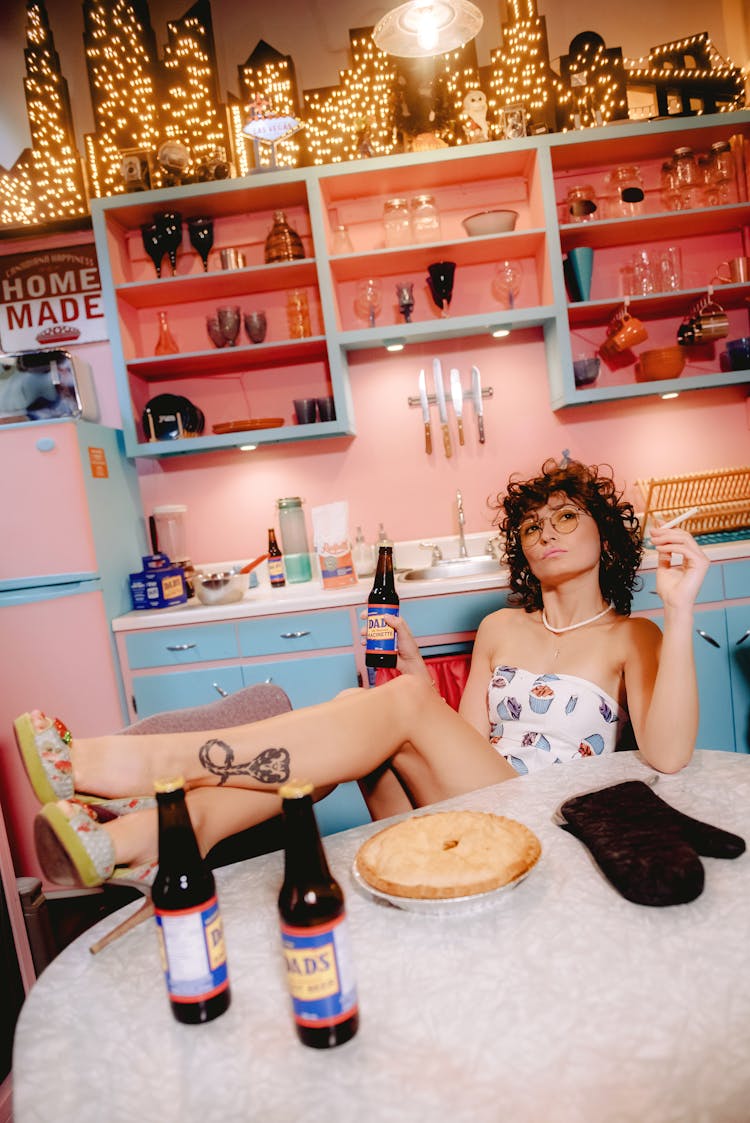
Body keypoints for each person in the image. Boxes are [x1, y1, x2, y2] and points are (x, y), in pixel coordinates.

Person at [14, 457, 708, 893]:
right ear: (520, 550)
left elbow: (670, 754)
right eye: (531, 525)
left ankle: (143, 776)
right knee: (366, 708)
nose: (546, 531)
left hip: (545, 825)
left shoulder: (633, 636)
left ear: (607, 537)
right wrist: (417, 691)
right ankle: (167, 832)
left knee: (390, 708)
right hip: (473, 812)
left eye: (565, 516)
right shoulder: (501, 628)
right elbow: (469, 748)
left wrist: (678, 611)